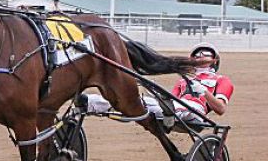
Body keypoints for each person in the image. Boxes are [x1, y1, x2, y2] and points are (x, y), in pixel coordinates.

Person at [84, 43, 234, 129]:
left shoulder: (222, 80)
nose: (199, 56)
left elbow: (220, 109)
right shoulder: (183, 81)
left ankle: (167, 108)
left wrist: (204, 93)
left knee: (175, 107)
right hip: (174, 106)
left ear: (214, 60)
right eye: (196, 54)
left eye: (205, 53)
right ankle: (90, 103)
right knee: (134, 102)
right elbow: (175, 98)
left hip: (196, 112)